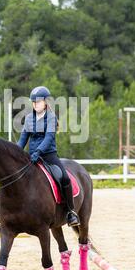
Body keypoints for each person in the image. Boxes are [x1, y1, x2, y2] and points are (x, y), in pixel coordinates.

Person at [17, 86, 80, 227]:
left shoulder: (51, 117)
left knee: (63, 177)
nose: (35, 104)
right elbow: (22, 139)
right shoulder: (28, 118)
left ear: (45, 102)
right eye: (33, 102)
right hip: (31, 156)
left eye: (38, 102)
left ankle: (71, 212)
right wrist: (15, 152)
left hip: (48, 156)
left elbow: (49, 138)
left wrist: (38, 152)